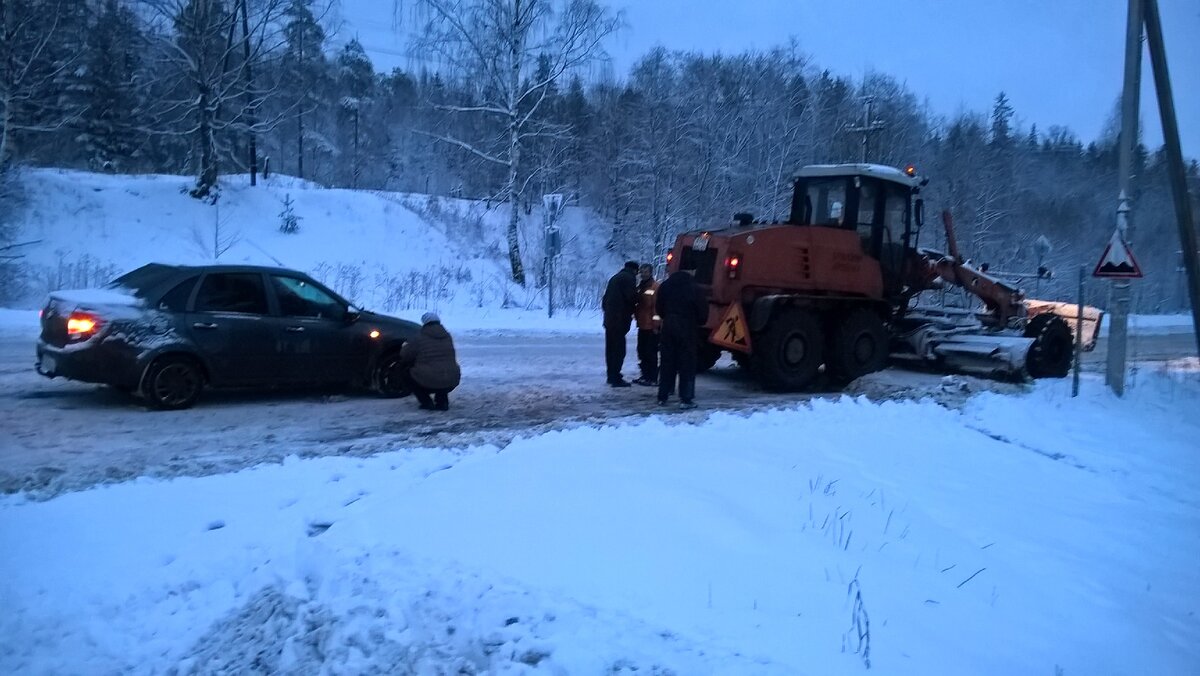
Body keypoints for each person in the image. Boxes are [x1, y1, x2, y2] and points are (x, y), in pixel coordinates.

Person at [655, 267, 708, 409]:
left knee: (667, 361)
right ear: (692, 271)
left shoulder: (665, 285)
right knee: (687, 364)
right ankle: (686, 398)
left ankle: (663, 396)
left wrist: (667, 317)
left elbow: (659, 308)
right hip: (687, 328)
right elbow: (703, 312)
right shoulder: (695, 288)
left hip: (668, 326)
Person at [398, 312, 461, 411]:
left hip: (430, 381)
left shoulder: (419, 337)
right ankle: (442, 402)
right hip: (452, 379)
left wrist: (405, 346)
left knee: (405, 372)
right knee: (441, 371)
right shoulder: (447, 336)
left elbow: (405, 355)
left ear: (425, 323)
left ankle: (426, 402)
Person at [602, 261, 639, 387]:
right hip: (619, 320)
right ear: (635, 270)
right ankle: (615, 377)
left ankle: (611, 375)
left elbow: (605, 300)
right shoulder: (629, 278)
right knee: (619, 350)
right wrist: (639, 298)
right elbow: (631, 297)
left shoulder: (615, 278)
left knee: (610, 348)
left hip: (610, 319)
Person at [632, 264, 660, 386]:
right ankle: (645, 375)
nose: (643, 274)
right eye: (642, 272)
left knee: (650, 352)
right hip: (642, 325)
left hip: (651, 327)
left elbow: (656, 308)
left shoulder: (655, 287)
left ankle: (652, 378)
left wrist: (656, 325)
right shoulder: (640, 287)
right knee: (642, 351)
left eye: (646, 272)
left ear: (651, 273)